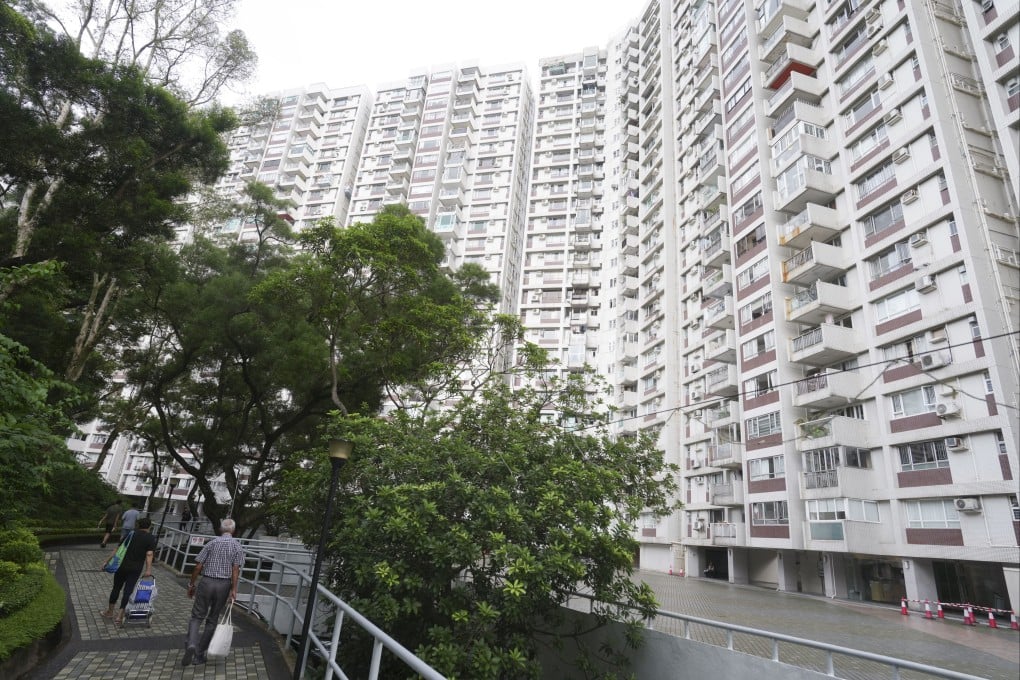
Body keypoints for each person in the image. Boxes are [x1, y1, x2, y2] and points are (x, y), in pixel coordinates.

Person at [182, 518, 244, 666]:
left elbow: (198, 567)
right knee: (212, 619)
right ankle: (199, 654)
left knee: (197, 616)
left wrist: (191, 584)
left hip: (207, 582)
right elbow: (235, 570)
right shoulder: (237, 546)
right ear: (233, 531)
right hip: (223, 585)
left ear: (221, 529)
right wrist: (234, 589)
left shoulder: (211, 543)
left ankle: (191, 643)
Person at [100, 517, 157, 625]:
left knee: (116, 588)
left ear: (138, 525)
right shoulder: (151, 538)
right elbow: (149, 554)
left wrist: (106, 561)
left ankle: (110, 612)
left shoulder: (130, 534)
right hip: (135, 569)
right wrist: (148, 570)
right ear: (149, 526)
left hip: (121, 566)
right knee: (128, 590)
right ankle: (120, 616)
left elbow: (117, 549)